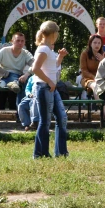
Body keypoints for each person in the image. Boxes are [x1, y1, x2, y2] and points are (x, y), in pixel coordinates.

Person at [31, 21, 69, 159]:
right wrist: (49, 81)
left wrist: (60, 57)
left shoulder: (48, 49)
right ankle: (40, 153)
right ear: (53, 33)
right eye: (57, 32)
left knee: (62, 117)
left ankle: (61, 152)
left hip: (51, 88)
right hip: (44, 87)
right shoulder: (43, 49)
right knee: (45, 121)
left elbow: (53, 66)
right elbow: (35, 69)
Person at [0, 32, 34, 108]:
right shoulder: (4, 51)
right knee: (2, 101)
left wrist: (27, 74)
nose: (20, 43)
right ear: (12, 41)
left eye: (22, 41)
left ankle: (21, 112)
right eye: (18, 40)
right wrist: (4, 73)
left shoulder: (26, 53)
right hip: (4, 76)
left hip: (18, 77)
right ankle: (13, 82)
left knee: (22, 84)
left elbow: (35, 65)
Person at [79, 34, 105, 98]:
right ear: (90, 44)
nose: (97, 45)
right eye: (95, 43)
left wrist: (103, 60)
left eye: (99, 43)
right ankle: (99, 105)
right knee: (96, 86)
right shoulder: (84, 54)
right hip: (88, 79)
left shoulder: (104, 55)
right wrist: (94, 78)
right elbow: (84, 71)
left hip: (101, 79)